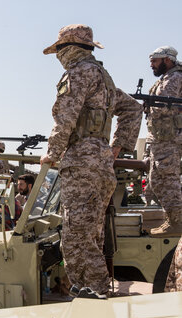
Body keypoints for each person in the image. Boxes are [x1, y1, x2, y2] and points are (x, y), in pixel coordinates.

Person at [40, 24, 141, 295]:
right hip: (101, 165)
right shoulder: (103, 78)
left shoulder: (78, 73)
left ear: (68, 49)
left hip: (82, 164)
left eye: (59, 50)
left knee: (75, 242)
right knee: (91, 236)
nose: (59, 56)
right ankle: (96, 293)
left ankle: (93, 295)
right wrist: (117, 148)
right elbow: (133, 108)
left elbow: (66, 117)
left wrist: (52, 152)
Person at [143, 46, 182, 237]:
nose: (152, 65)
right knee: (157, 181)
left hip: (170, 138)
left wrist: (149, 104)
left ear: (167, 60)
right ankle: (173, 219)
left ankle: (178, 222)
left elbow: (166, 104)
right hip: (161, 138)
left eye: (155, 61)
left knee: (168, 179)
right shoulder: (166, 79)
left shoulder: (175, 78)